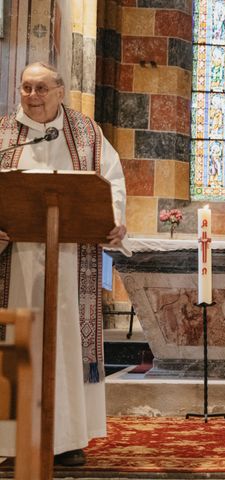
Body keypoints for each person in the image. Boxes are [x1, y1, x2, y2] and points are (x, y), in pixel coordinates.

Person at [0, 62, 127, 466]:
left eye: (40, 88)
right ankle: (8, 442)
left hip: (71, 258)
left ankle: (66, 438)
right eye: (25, 88)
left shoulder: (87, 133)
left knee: (66, 342)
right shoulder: (3, 135)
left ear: (60, 91)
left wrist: (115, 219)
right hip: (15, 258)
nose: (32, 96)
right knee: (15, 340)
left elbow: (112, 181)